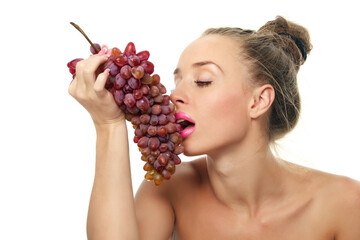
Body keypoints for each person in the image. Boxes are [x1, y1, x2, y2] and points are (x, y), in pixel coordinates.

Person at [68, 16, 360, 240]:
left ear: (259, 101)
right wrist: (108, 125)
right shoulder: (169, 189)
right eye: (177, 81)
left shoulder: (346, 203)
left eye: (203, 80)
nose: (174, 96)